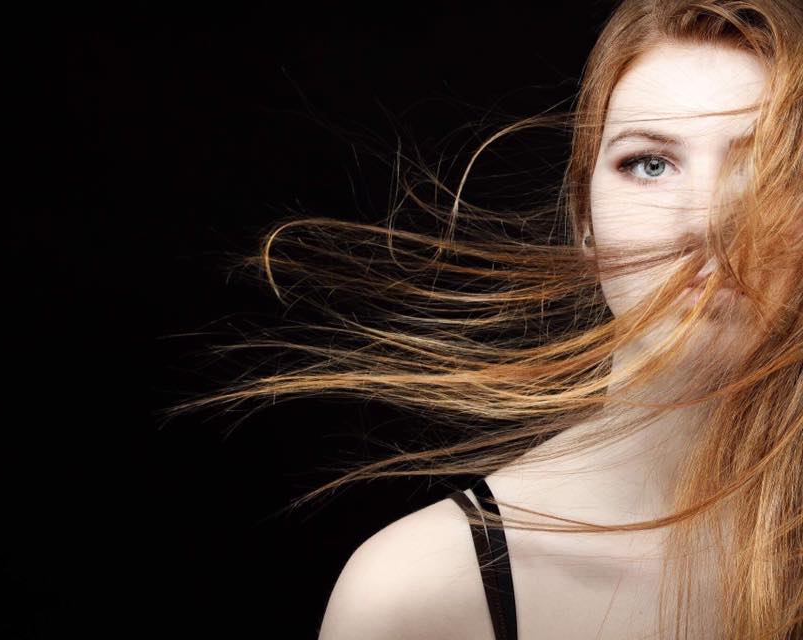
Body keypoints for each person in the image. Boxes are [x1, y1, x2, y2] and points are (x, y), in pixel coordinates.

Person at [160, 1, 803, 638]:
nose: (707, 223)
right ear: (583, 219)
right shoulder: (419, 594)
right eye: (649, 165)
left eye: (772, 170)